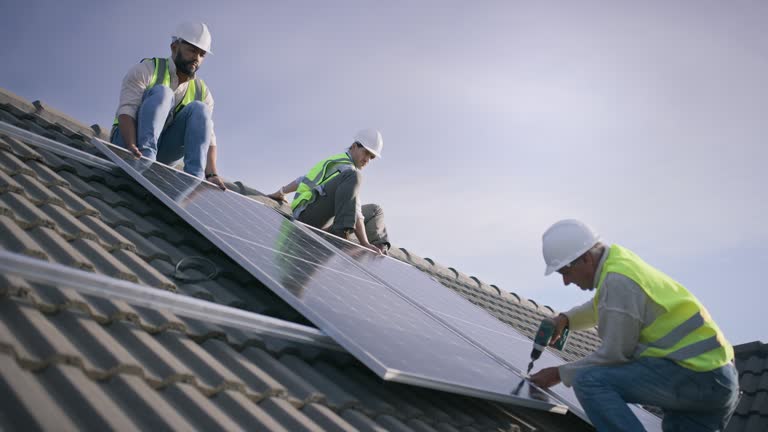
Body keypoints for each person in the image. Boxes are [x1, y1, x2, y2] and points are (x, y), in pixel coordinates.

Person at [530, 219, 739, 432]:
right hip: (717, 381)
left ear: (585, 259)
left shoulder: (618, 280)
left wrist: (559, 373)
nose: (565, 281)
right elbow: (605, 305)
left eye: (565, 272)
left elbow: (614, 355)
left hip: (695, 377)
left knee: (589, 381)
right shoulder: (619, 263)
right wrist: (566, 319)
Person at [111, 22, 225, 190]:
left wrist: (213, 175)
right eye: (192, 50)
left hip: (162, 155)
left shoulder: (203, 92)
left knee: (200, 110)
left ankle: (192, 180)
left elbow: (209, 139)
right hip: (128, 142)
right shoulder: (147, 69)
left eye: (202, 54)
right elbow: (127, 110)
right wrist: (131, 146)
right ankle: (144, 160)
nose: (197, 58)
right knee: (164, 93)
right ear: (174, 47)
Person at [268, 129, 390, 254]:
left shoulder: (340, 165)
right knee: (354, 176)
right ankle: (341, 233)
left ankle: (380, 253)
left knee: (375, 210)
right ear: (354, 146)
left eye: (371, 157)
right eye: (366, 153)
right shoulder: (348, 171)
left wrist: (281, 192)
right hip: (307, 217)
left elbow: (303, 180)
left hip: (324, 220)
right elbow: (356, 210)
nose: (367, 160)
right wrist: (364, 243)